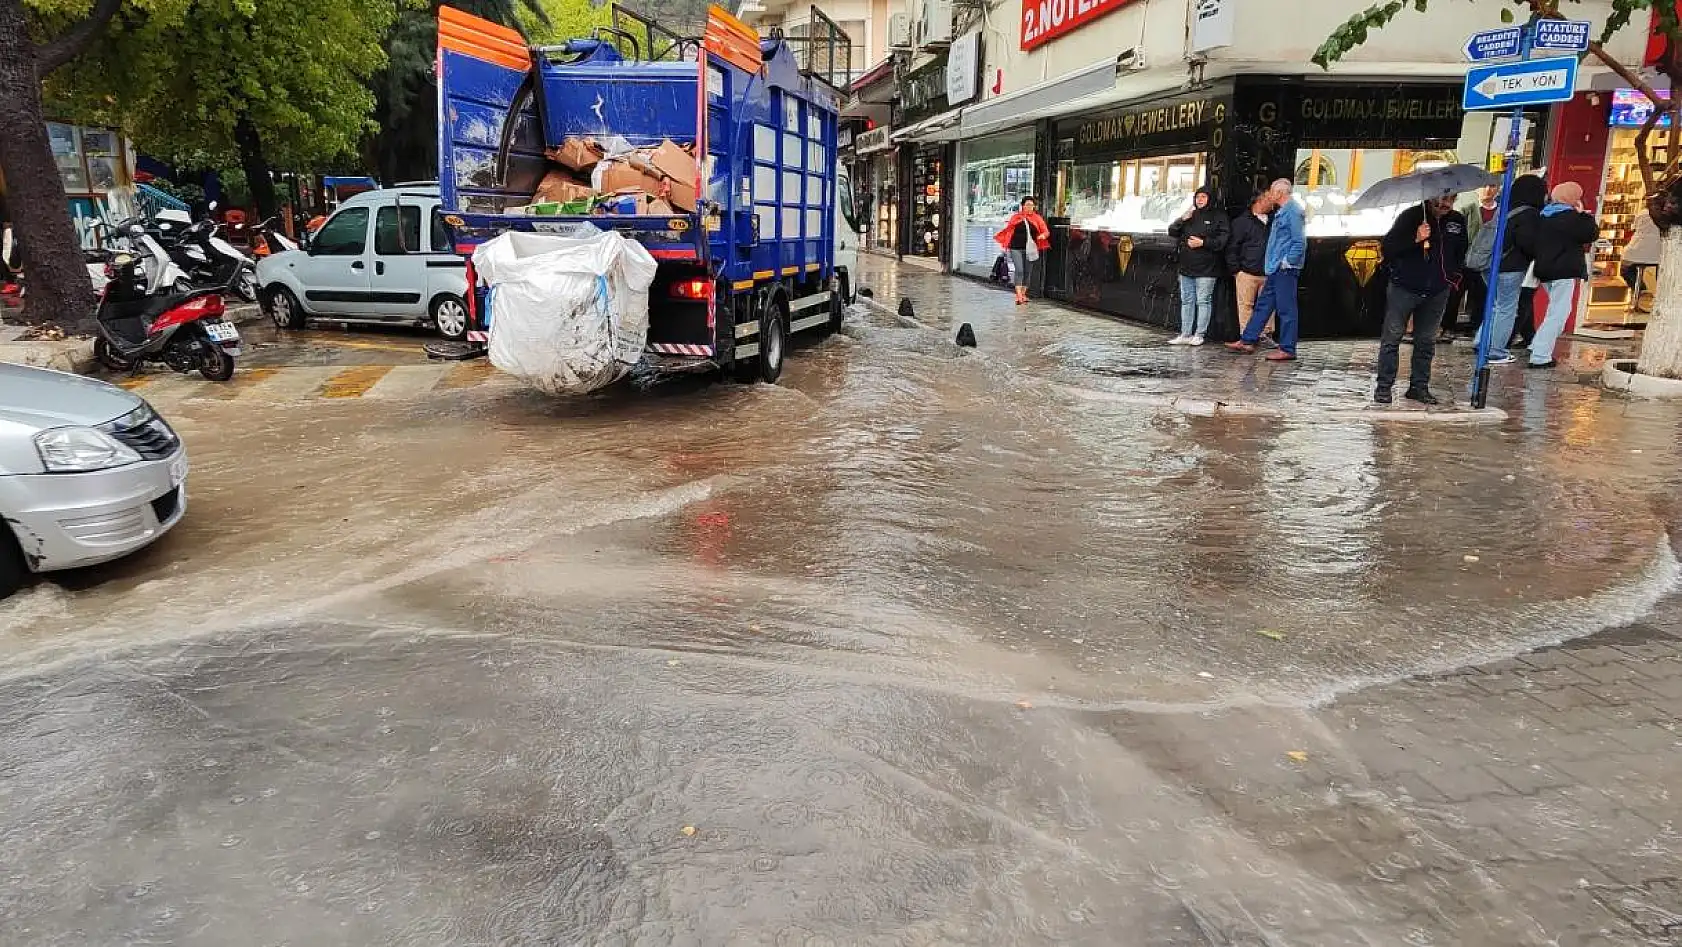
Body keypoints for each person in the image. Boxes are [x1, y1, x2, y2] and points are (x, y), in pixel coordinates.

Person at [1373, 194, 1468, 405]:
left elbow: (1461, 251)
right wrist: (1415, 239)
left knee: (1426, 341)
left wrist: (1453, 276)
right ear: (1430, 197)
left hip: (1437, 290)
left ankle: (1419, 386)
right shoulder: (1410, 216)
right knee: (1392, 337)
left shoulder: (1457, 221)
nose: (1445, 204)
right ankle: (1384, 387)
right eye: (1441, 199)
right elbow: (1388, 247)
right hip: (1404, 287)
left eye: (1450, 199)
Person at [1224, 178, 1305, 361]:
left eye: (1272, 191)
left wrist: (1287, 261)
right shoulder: (1283, 211)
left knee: (1286, 309)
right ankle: (1248, 339)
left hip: (1284, 268)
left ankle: (1287, 348)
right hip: (1275, 268)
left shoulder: (1293, 211)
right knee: (1263, 305)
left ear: (1280, 193)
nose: (1269, 194)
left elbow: (1299, 241)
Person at [1527, 181, 1600, 368]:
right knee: (1559, 314)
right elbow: (1591, 234)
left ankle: (1536, 345)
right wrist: (1584, 214)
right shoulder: (1571, 218)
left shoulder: (1544, 215)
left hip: (1545, 270)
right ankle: (1540, 355)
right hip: (1564, 271)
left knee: (1554, 310)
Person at [1482, 174, 1548, 366]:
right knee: (1507, 309)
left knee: (1495, 307)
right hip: (1511, 267)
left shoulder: (1506, 210)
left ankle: (1482, 343)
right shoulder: (1529, 214)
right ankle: (1496, 351)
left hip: (1489, 264)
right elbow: (1526, 242)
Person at [1166, 186, 1230, 345]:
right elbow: (1172, 231)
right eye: (1197, 197)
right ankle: (1185, 333)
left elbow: (1222, 241)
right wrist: (1182, 219)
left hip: (1207, 268)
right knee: (1187, 300)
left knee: (1203, 300)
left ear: (1210, 198)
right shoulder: (1190, 214)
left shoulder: (1219, 216)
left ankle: (1200, 334)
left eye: (1203, 197)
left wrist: (1203, 243)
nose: (1200, 200)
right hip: (1186, 266)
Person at [1446, 184, 1500, 342]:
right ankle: (1448, 326)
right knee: (1455, 294)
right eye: (1484, 186)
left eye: (1492, 186)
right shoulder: (1467, 210)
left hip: (1487, 262)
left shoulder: (1500, 212)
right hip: (1465, 261)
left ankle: (1475, 326)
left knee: (1482, 295)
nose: (1487, 190)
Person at [1226, 191, 1273, 346]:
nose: (1272, 201)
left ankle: (1265, 334)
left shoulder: (1273, 220)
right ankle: (1247, 337)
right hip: (1247, 271)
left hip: (1268, 271)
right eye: (1268, 198)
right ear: (1259, 201)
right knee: (1246, 305)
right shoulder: (1241, 222)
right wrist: (1236, 270)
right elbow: (1232, 247)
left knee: (1268, 305)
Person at [994, 196, 1052, 306]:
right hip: (1015, 247)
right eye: (1027, 205)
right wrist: (1005, 242)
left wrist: (1043, 236)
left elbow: (1046, 231)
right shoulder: (1016, 217)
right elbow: (1009, 230)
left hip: (1030, 249)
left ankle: (1023, 294)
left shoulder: (1037, 218)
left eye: (1032, 205)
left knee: (1027, 271)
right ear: (1023, 206)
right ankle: (1018, 295)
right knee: (1019, 270)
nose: (1030, 207)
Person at [1621, 209, 1661, 314]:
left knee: (1624, 269)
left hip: (1636, 252)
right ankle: (1659, 295)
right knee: (1661, 271)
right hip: (1658, 252)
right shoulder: (1664, 214)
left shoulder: (1641, 213)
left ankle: (1641, 290)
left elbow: (1634, 229)